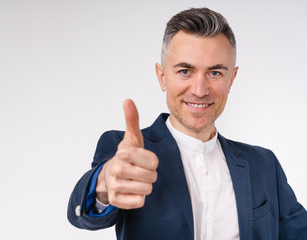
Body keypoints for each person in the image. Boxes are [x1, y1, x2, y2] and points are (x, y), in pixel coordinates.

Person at [67, 7, 307, 240]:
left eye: (215, 73)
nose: (200, 90)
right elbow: (83, 214)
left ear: (231, 79)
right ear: (162, 77)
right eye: (185, 71)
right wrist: (104, 184)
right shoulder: (126, 150)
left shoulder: (263, 164)